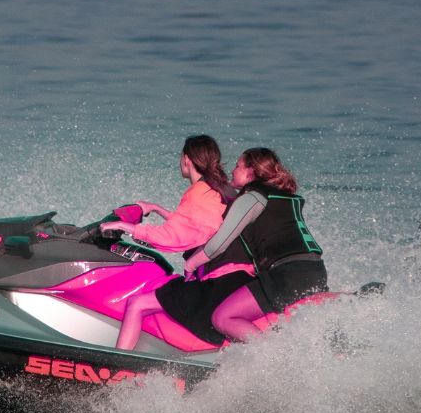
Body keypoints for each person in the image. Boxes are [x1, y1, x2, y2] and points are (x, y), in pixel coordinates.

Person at [117, 147, 325, 350]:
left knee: (223, 317)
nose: (233, 170)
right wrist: (159, 211)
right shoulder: (283, 197)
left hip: (286, 275)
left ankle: (272, 358)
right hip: (314, 269)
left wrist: (191, 264)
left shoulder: (252, 196)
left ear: (251, 171)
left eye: (238, 165)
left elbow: (219, 243)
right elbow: (201, 224)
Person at [101, 134, 236, 252]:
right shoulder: (220, 187)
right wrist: (155, 208)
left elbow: (172, 237)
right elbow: (192, 224)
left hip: (221, 273)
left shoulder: (201, 191)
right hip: (231, 266)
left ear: (186, 159)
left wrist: (123, 226)